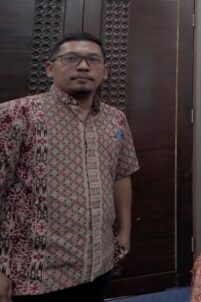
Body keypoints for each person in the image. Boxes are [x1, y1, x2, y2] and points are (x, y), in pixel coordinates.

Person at [0, 32, 139, 302]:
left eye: (93, 60)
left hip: (99, 264)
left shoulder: (116, 119)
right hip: (32, 276)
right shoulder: (15, 115)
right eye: (71, 58)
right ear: (49, 68)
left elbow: (122, 175)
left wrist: (124, 232)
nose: (83, 66)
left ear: (105, 71)